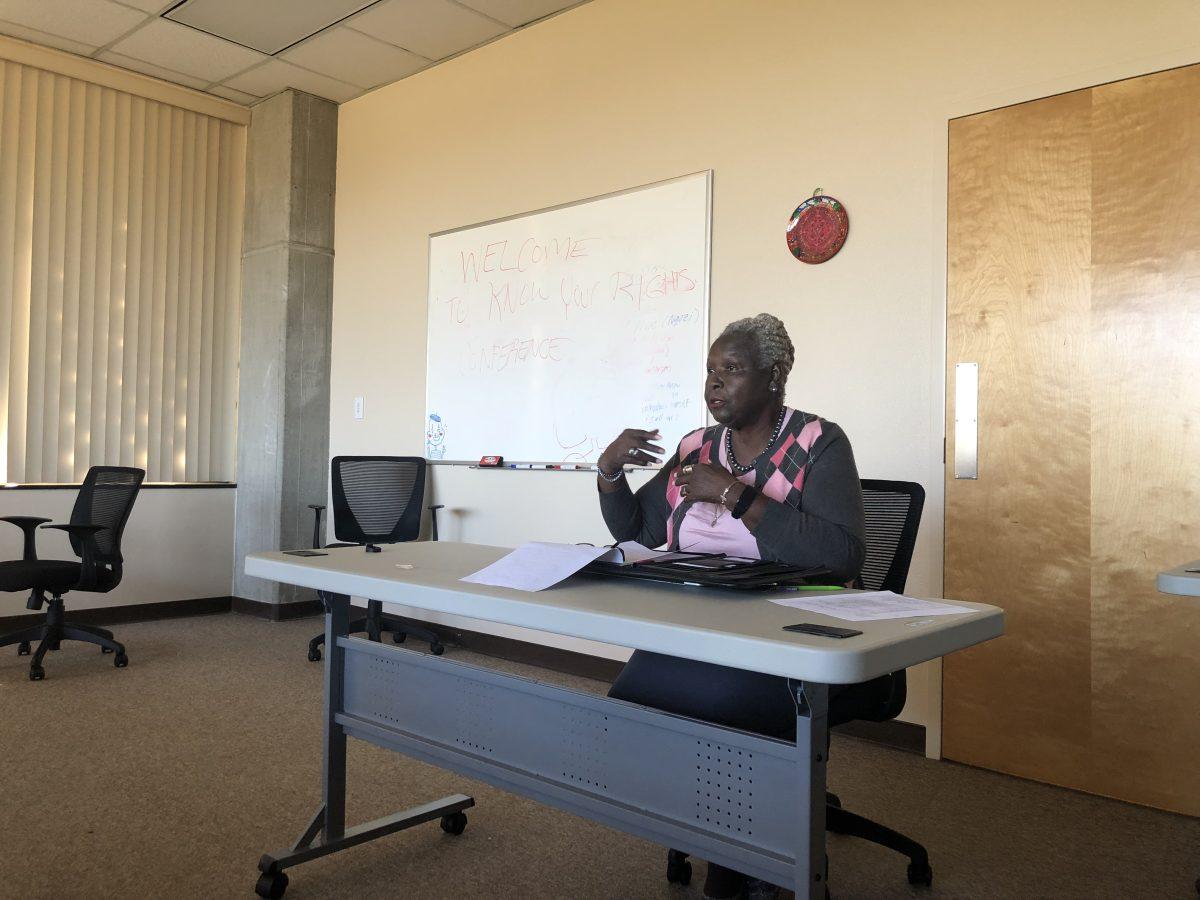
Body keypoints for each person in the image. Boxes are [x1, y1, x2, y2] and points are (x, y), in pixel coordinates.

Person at [595, 312, 865, 900]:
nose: (715, 385)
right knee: (632, 703)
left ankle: (747, 860)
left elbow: (841, 557)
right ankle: (723, 831)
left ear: (775, 376)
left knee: (729, 709)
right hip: (699, 621)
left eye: (732, 371)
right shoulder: (696, 446)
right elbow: (638, 528)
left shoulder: (818, 443)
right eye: (711, 372)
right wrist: (610, 471)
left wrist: (733, 493)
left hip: (783, 632)